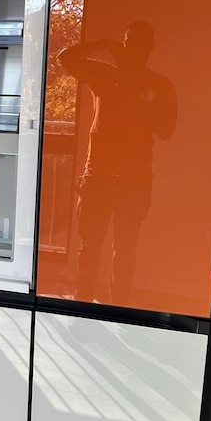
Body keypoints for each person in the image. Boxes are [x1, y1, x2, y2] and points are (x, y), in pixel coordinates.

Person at [58, 20, 177, 306]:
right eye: (127, 42)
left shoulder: (159, 84)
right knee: (90, 248)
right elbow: (65, 58)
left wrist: (138, 99)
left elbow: (167, 129)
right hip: (97, 175)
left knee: (125, 250)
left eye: (138, 42)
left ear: (149, 48)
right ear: (122, 44)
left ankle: (118, 309)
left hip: (134, 179)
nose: (131, 48)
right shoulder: (102, 73)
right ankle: (82, 307)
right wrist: (103, 45)